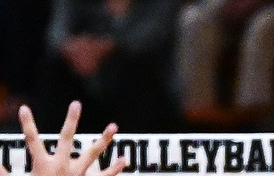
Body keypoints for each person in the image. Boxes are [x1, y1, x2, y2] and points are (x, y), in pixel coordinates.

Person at [37, 0, 182, 132]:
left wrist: (107, 47)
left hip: (144, 75)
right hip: (83, 70)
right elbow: (56, 35)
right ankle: (54, 151)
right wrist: (75, 49)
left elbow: (155, 33)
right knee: (56, 71)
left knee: (135, 72)